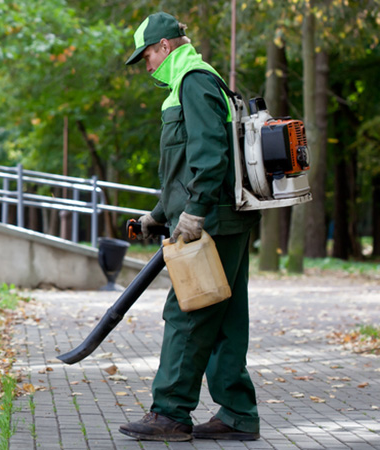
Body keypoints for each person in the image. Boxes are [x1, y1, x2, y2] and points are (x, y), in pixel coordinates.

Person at [119, 12, 261, 442]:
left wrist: (195, 212)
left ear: (164, 46)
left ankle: (170, 414)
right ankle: (238, 415)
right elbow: (182, 169)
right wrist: (156, 216)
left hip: (213, 221)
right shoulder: (190, 83)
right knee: (225, 320)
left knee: (187, 314)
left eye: (146, 56)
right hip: (222, 218)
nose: (146, 66)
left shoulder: (193, 81)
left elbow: (210, 152)